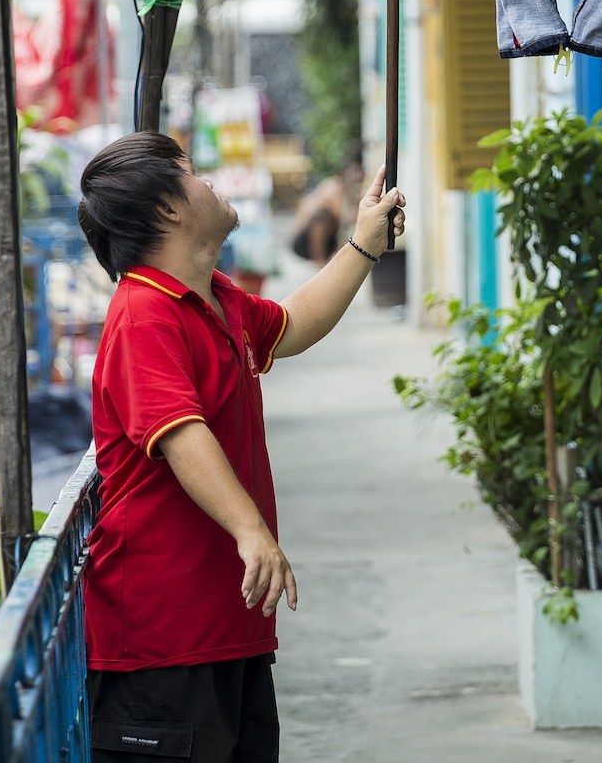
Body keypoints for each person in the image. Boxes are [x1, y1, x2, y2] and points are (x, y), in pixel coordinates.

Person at [75, 131, 405, 762]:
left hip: (228, 626)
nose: (210, 183)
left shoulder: (214, 298)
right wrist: (251, 530)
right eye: (192, 173)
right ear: (167, 208)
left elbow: (293, 325)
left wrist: (363, 242)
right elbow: (179, 432)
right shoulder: (144, 313)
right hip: (161, 639)